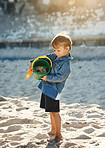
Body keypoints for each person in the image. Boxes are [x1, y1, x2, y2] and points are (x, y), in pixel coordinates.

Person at [29, 32, 72, 143]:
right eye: (54, 50)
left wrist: (47, 77)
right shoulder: (56, 56)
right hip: (46, 88)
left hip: (54, 91)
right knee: (50, 111)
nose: (55, 53)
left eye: (58, 50)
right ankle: (53, 130)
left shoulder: (65, 64)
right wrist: (33, 62)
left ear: (67, 49)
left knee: (55, 112)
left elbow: (61, 77)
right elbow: (45, 58)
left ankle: (59, 134)